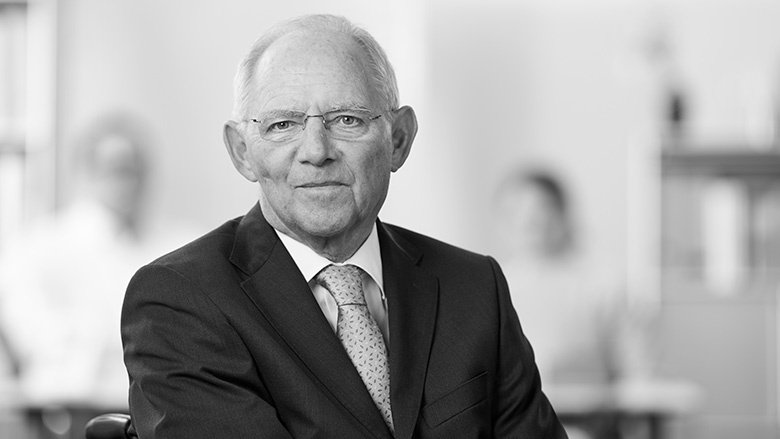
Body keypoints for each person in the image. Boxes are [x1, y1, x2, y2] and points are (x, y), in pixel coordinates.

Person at [122, 14, 566, 438]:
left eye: (346, 120)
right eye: (283, 124)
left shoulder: (472, 287)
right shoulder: (180, 299)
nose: (317, 151)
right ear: (242, 152)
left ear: (399, 139)